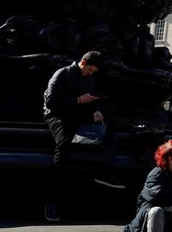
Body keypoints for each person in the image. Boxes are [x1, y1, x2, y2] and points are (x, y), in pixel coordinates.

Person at [43, 50, 123, 222]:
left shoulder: (90, 79)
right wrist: (79, 100)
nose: (91, 74)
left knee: (110, 129)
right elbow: (51, 101)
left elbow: (92, 100)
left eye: (94, 72)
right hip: (57, 115)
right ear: (83, 62)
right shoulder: (62, 74)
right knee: (63, 147)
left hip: (78, 114)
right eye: (90, 70)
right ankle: (52, 201)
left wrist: (95, 111)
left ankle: (104, 171)